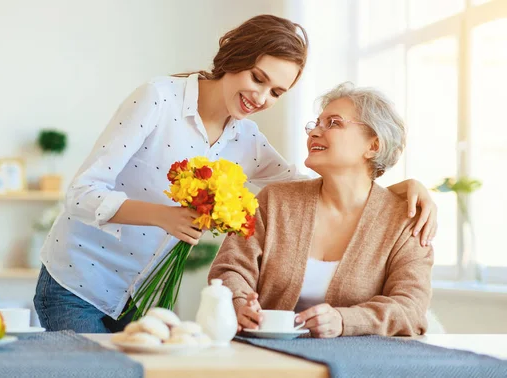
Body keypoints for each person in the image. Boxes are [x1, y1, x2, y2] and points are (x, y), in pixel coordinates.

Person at [33, 15, 436, 333]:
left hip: (144, 294)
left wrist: (400, 190)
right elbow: (82, 192)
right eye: (258, 78)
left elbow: (322, 182)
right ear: (234, 59)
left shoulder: (247, 139)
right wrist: (164, 216)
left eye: (276, 92)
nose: (260, 98)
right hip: (78, 281)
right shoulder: (158, 98)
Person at [209, 82, 434, 338]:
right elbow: (230, 268)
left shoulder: (405, 221)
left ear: (373, 145)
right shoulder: (275, 201)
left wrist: (344, 320)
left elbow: (411, 309)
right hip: (266, 356)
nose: (314, 132)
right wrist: (238, 303)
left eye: (334, 123)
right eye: (316, 123)